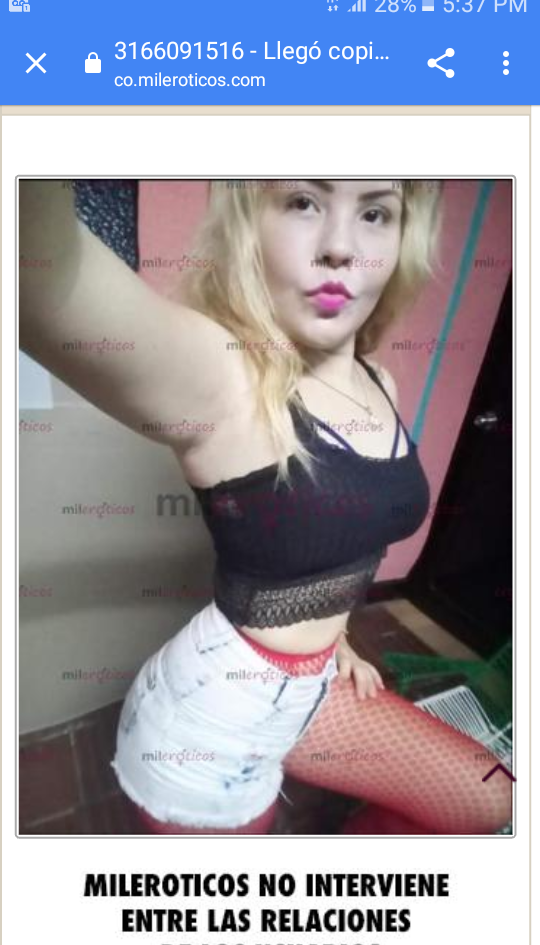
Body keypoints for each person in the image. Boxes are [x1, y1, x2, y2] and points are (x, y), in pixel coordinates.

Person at [19, 178, 512, 835]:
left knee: (492, 797)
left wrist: (339, 638)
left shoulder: (380, 382)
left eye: (375, 212)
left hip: (316, 688)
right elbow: (41, 270)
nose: (341, 247)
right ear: (250, 223)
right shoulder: (225, 380)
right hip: (207, 731)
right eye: (304, 202)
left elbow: (350, 539)